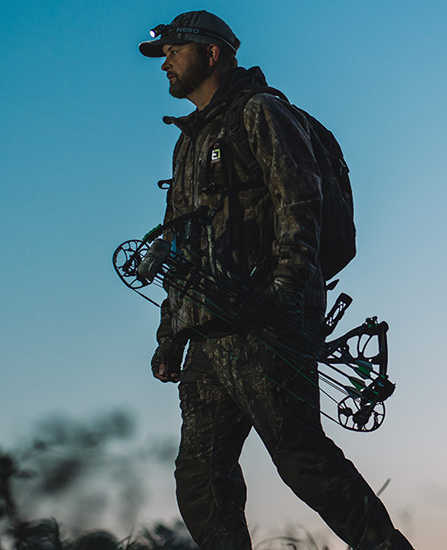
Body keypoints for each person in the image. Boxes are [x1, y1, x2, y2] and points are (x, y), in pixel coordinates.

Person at [137, 11, 413, 550]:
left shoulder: (261, 113)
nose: (165, 61)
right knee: (200, 480)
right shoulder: (189, 142)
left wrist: (285, 296)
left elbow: (299, 202)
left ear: (211, 53)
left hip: (263, 322)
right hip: (207, 334)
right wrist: (170, 334)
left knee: (302, 460)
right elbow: (177, 244)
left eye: (174, 49)